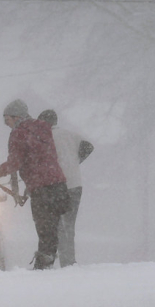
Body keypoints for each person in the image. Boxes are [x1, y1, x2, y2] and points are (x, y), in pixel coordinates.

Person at [0, 99, 70, 270]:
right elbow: (41, 157)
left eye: (7, 120)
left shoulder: (18, 133)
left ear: (16, 117)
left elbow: (14, 163)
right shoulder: (43, 128)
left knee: (44, 228)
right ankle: (48, 262)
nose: (7, 125)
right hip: (58, 185)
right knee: (52, 228)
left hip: (42, 188)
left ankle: (43, 265)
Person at [37, 109, 94, 267]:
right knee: (69, 224)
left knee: (58, 225)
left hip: (57, 186)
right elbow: (89, 147)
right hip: (75, 184)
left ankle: (64, 261)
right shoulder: (71, 135)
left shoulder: (45, 139)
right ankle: (69, 260)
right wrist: (76, 161)